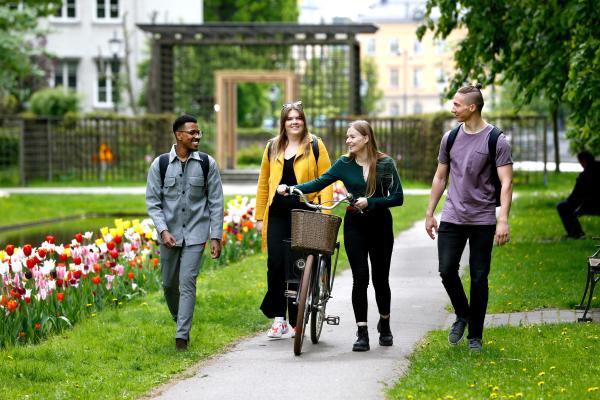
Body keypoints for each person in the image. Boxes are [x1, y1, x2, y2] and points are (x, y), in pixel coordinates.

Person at [277, 120, 404, 352]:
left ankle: (384, 324)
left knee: (380, 280)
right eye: (347, 137)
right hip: (355, 224)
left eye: (353, 136)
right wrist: (293, 188)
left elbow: (398, 197)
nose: (348, 141)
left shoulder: (386, 164)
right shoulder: (344, 164)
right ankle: (362, 331)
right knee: (361, 278)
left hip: (381, 226)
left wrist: (371, 201)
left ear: (366, 138)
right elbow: (321, 181)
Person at [425, 84, 513, 352]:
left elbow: (506, 182)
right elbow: (441, 176)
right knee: (447, 270)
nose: (453, 109)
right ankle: (463, 314)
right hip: (453, 215)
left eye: (457, 104)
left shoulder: (496, 140)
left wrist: (503, 220)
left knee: (478, 277)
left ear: (472, 107)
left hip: (483, 219)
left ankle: (475, 335)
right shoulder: (449, 138)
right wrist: (430, 212)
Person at [255, 101, 333, 339]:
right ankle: (279, 320)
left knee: (299, 266)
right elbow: (263, 183)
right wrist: (260, 217)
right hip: (277, 214)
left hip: (306, 213)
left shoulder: (316, 146)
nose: (294, 121)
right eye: (290, 118)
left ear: (304, 120)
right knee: (276, 264)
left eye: (298, 117)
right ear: (283, 123)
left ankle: (297, 317)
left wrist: (326, 213)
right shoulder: (272, 147)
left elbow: (327, 180)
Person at [146, 114, 224, 351]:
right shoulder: (159, 165)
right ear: (179, 135)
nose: (197, 136)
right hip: (168, 235)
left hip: (196, 234)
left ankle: (182, 337)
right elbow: (153, 202)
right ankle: (180, 319)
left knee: (187, 282)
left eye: (198, 132)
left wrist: (216, 236)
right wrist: (162, 230)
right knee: (169, 284)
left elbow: (216, 202)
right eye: (192, 132)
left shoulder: (206, 163)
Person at [557, 151, 600, 239]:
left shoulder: (585, 175)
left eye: (580, 162)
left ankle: (576, 233)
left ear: (584, 161)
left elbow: (576, 195)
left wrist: (569, 201)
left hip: (592, 205)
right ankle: (577, 233)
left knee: (563, 206)